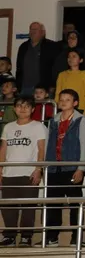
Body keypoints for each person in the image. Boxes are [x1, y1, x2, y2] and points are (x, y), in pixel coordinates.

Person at [43, 89, 85, 246]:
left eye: (67, 100)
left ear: (75, 103)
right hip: (53, 168)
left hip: (71, 168)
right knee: (52, 204)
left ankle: (76, 237)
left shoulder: (80, 120)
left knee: (74, 204)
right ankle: (51, 236)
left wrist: (81, 168)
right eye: (61, 99)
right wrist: (45, 166)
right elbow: (48, 144)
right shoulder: (53, 121)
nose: (63, 102)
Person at [0, 96, 46, 247]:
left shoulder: (38, 126)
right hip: (9, 173)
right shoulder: (8, 127)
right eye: (19, 105)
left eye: (26, 106)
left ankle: (26, 236)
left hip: (28, 173)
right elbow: (3, 149)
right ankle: (10, 236)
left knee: (28, 207)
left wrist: (38, 169)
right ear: (14, 108)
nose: (23, 109)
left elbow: (41, 149)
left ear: (32, 109)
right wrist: (0, 169)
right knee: (8, 207)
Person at [15, 22, 61, 94]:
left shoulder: (52, 46)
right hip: (24, 88)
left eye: (35, 29)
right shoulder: (23, 47)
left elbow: (56, 68)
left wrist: (53, 85)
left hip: (44, 89)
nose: (32, 32)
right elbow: (19, 68)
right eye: (31, 29)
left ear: (43, 32)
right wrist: (18, 85)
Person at [55, 50, 85, 116]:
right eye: (69, 57)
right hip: (63, 108)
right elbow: (57, 93)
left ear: (81, 60)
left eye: (74, 56)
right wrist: (56, 108)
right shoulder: (62, 75)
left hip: (79, 108)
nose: (71, 59)